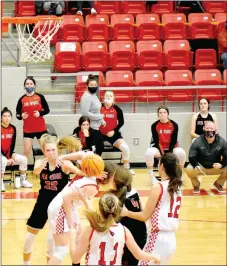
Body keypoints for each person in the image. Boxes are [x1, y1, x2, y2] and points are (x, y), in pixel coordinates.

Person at [22, 134, 85, 266]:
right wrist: (40, 167)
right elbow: (36, 171)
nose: (51, 153)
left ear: (58, 149)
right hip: (43, 202)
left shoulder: (64, 164)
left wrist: (94, 172)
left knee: (51, 241)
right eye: (48, 150)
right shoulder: (40, 163)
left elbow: (81, 173)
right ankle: (25, 262)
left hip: (59, 206)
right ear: (44, 151)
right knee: (30, 236)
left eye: (53, 150)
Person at [47, 157, 114, 265]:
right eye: (113, 177)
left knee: (79, 233)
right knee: (61, 250)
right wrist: (69, 219)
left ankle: (76, 262)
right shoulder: (92, 187)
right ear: (106, 176)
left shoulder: (88, 175)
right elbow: (66, 199)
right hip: (61, 209)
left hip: (66, 207)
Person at [121, 153, 183, 265]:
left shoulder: (158, 186)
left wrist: (126, 212)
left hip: (158, 238)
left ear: (162, 166)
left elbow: (145, 216)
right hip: (171, 239)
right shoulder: (178, 187)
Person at [70, 193, 160, 265]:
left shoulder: (92, 230)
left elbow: (75, 258)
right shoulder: (124, 231)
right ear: (117, 211)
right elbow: (139, 255)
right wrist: (153, 257)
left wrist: (72, 236)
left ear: (99, 210)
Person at [111, 167, 147, 266]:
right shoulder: (135, 193)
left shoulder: (113, 198)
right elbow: (142, 212)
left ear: (114, 182)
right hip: (141, 235)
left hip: (124, 237)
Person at [145, 106, 186, 184]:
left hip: (172, 147)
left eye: (164, 112)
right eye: (160, 113)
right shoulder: (154, 125)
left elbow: (173, 141)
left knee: (181, 153)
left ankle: (180, 176)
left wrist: (169, 154)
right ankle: (152, 177)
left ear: (167, 114)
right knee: (148, 152)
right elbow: (156, 141)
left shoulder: (174, 124)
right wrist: (163, 154)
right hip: (159, 148)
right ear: (158, 115)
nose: (162, 114)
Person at [185, 121, 227, 194]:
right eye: (207, 128)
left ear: (216, 130)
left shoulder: (222, 141)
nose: (209, 130)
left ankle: (219, 183)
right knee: (189, 168)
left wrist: (222, 165)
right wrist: (195, 165)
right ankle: (196, 185)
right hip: (201, 168)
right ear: (204, 129)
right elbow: (191, 156)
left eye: (212, 128)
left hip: (215, 168)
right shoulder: (197, 141)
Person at [100, 90, 135, 175]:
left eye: (111, 96)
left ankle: (126, 167)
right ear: (103, 97)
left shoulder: (117, 109)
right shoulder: (98, 107)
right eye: (107, 95)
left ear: (113, 98)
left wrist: (113, 131)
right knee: (93, 148)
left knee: (125, 148)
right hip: (99, 133)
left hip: (113, 134)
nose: (108, 97)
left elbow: (121, 122)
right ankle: (96, 168)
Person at [16, 77, 50, 159]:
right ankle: (23, 171)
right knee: (26, 151)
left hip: (41, 129)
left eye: (31, 84)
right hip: (28, 130)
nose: (29, 85)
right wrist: (21, 116)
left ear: (34, 85)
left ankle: (48, 169)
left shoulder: (40, 97)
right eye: (27, 84)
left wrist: (40, 113)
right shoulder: (22, 99)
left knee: (47, 150)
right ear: (24, 86)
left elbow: (47, 110)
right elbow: (17, 114)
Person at [1, 107, 32, 191]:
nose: (7, 118)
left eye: (9, 116)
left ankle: (23, 180)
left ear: (11, 118)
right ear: (1, 118)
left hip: (8, 153)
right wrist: (7, 158)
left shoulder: (13, 128)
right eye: (4, 116)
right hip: (1, 155)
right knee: (3, 160)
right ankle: (1, 182)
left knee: (23, 159)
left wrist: (10, 157)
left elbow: (12, 145)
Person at [80, 74, 106, 156]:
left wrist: (101, 120)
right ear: (87, 86)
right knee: (97, 148)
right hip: (90, 127)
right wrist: (100, 117)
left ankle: (95, 166)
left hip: (96, 126)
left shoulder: (94, 95)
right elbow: (85, 113)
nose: (94, 87)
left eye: (95, 85)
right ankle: (93, 166)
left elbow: (96, 111)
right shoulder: (86, 97)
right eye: (91, 85)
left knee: (99, 148)